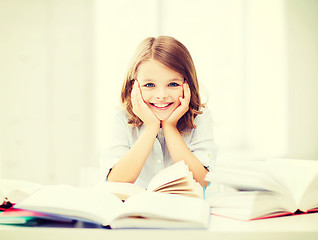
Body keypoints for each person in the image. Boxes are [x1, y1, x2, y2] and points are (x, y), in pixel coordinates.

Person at [100, 36, 217, 188]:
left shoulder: (200, 118)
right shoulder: (122, 118)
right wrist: (151, 128)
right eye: (149, 85)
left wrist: (170, 127)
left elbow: (201, 181)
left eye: (173, 84)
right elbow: (115, 181)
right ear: (133, 86)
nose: (161, 95)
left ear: (187, 85)